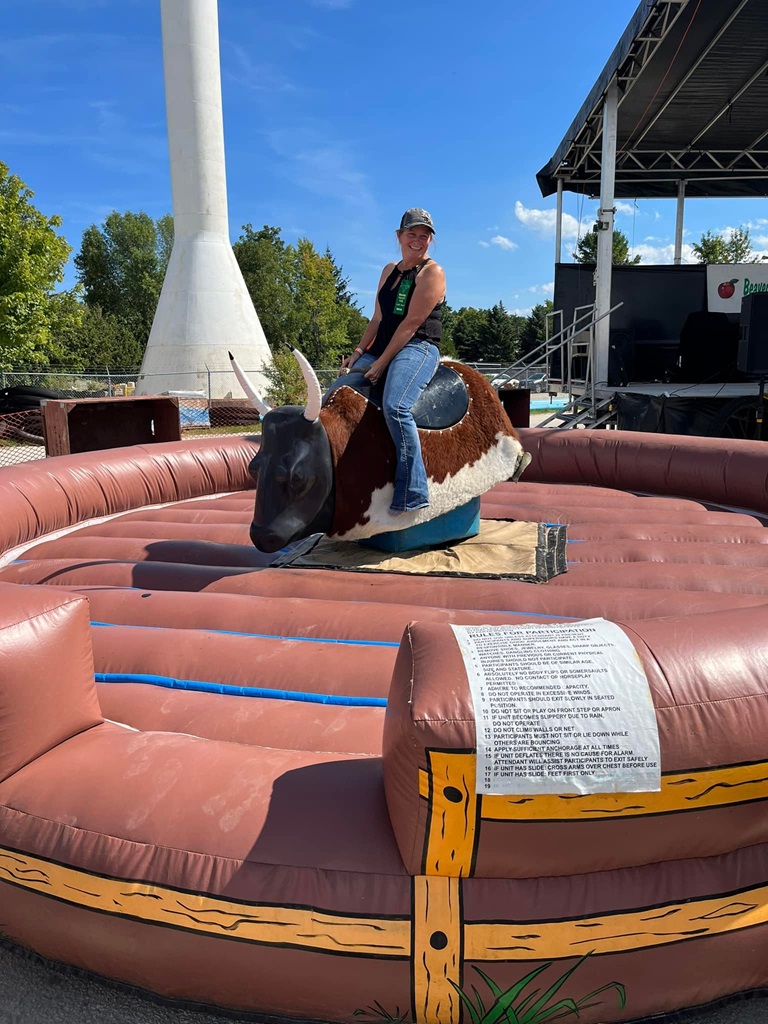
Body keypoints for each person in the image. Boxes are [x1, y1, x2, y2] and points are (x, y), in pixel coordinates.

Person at [327, 208, 445, 514]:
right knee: (336, 393)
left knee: (396, 406)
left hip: (417, 346)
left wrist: (381, 364)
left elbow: (410, 324)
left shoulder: (432, 272)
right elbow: (378, 318)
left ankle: (413, 492)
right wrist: (357, 354)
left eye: (424, 236)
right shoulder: (389, 270)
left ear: (430, 240)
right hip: (381, 347)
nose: (417, 240)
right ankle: (330, 476)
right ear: (399, 236)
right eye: (412, 234)